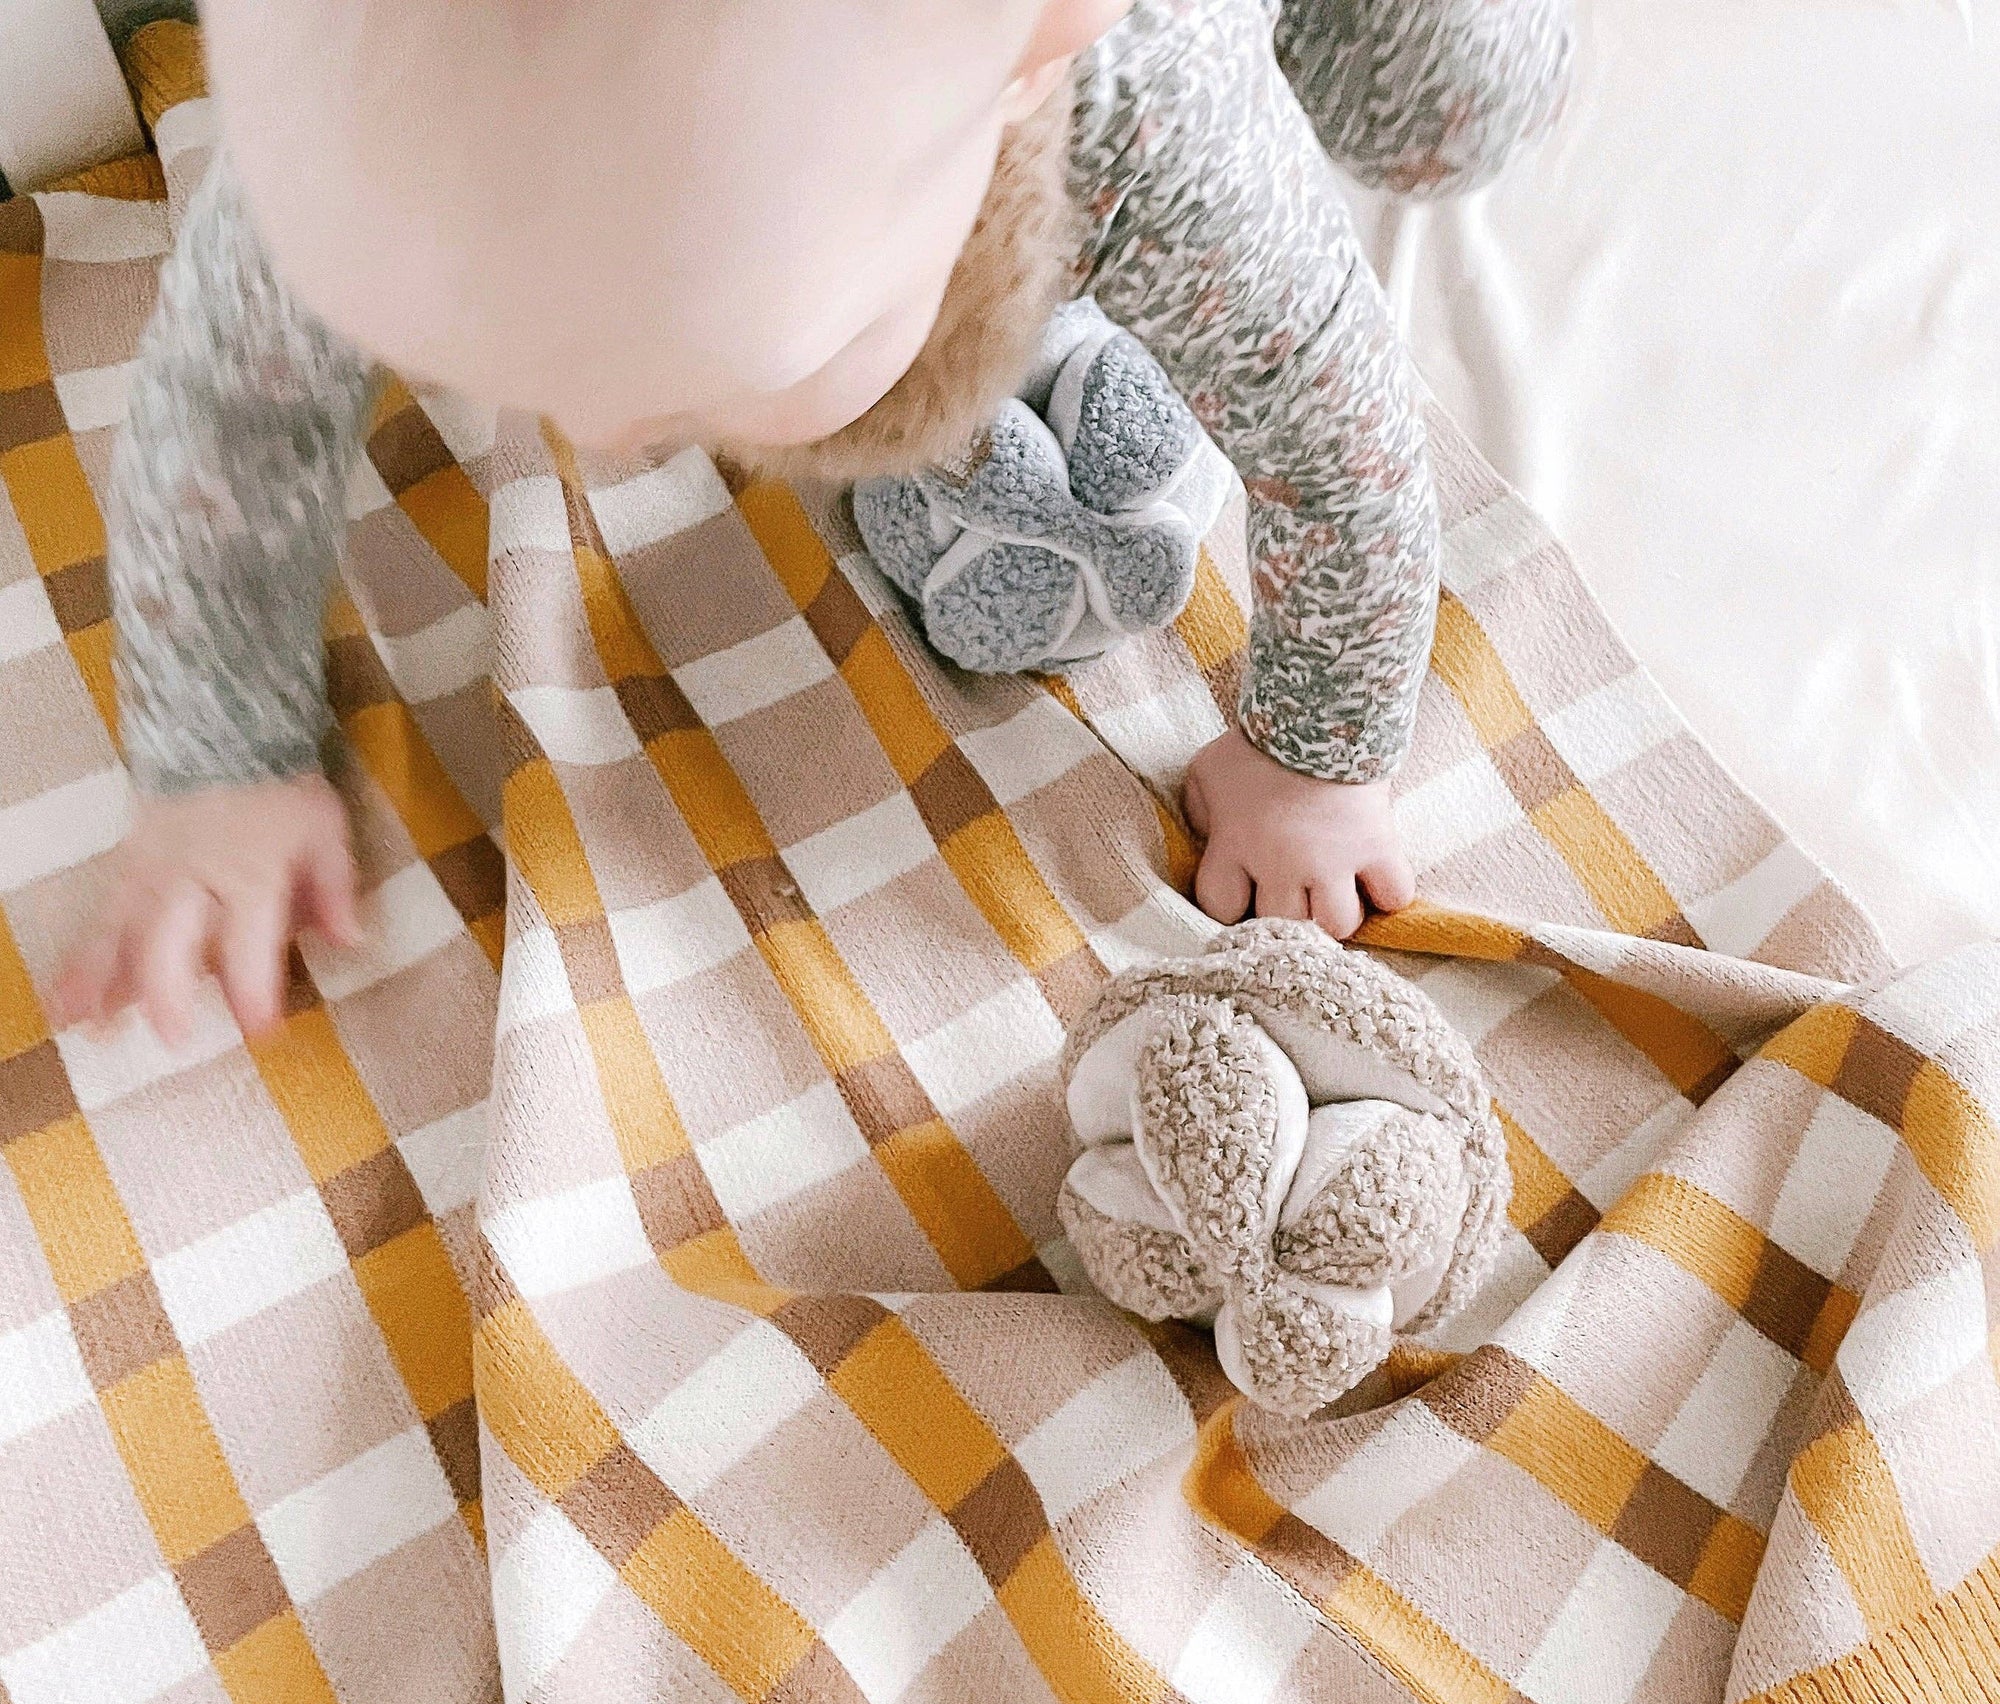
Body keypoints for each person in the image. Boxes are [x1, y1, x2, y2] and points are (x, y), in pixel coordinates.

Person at [55, 0, 1572, 1045]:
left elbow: (1341, 450)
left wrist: (1316, 764)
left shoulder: (1159, 125)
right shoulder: (357, 143)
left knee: (1447, 107)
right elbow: (230, 407)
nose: (603, 441)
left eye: (700, 380)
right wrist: (218, 753)